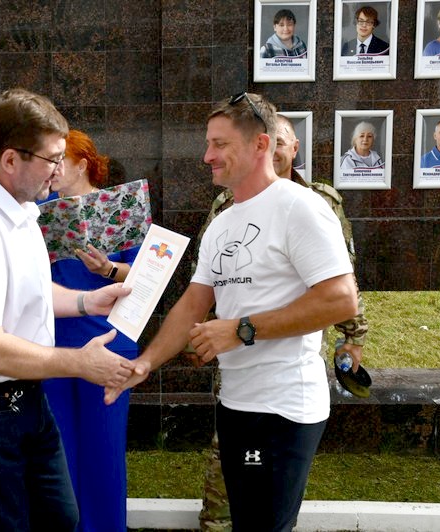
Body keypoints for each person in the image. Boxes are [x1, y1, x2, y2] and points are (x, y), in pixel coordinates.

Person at [105, 92, 358, 531]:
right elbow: (194, 302)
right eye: (208, 143)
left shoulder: (301, 207)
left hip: (284, 409)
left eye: (220, 144)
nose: (207, 156)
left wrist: (240, 329)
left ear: (261, 144)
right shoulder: (223, 222)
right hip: (236, 404)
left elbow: (340, 299)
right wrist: (145, 364)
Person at [0, 88, 136, 531]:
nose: (59, 170)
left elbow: (26, 292)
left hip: (21, 398)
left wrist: (85, 301)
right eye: (52, 159)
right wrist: (78, 363)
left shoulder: (19, 209)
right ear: (10, 159)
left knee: (59, 519)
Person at [197, 114, 370, 531]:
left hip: (286, 367)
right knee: (232, 470)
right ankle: (218, 520)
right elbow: (208, 278)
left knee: (270, 502)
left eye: (282, 142)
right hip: (235, 366)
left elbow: (341, 282)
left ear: (294, 149)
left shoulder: (314, 203)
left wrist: (353, 335)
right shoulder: (227, 207)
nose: (274, 149)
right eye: (267, 140)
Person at [38, 129, 139, 532]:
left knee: (104, 451)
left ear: (82, 165)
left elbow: (146, 273)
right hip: (52, 345)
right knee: (57, 451)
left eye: (60, 161)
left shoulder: (120, 208)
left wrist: (108, 269)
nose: (53, 169)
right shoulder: (35, 211)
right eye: (49, 161)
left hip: (110, 343)